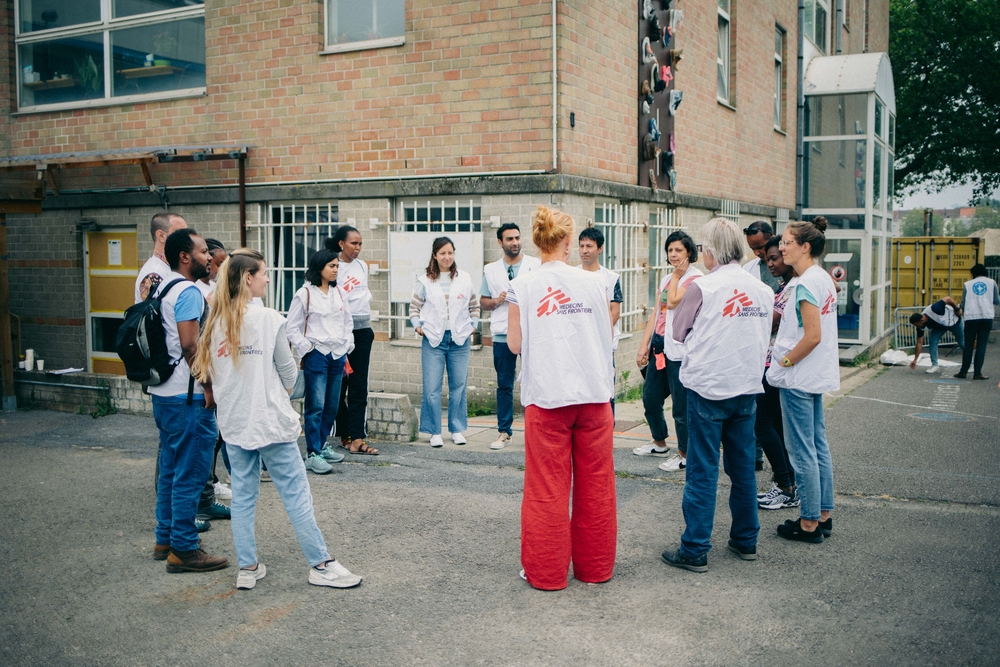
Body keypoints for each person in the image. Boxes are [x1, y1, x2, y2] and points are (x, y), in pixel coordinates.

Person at [193, 248, 363, 591]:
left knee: (243, 495)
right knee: (296, 495)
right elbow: (288, 371)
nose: (268, 278)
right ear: (247, 278)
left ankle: (248, 567)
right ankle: (320, 564)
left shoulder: (215, 322)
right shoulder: (268, 318)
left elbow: (209, 375)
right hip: (269, 421)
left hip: (236, 423)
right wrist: (274, 397)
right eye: (263, 273)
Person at [507, 205, 616, 591]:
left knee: (546, 488)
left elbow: (515, 344)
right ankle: (596, 568)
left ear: (538, 242)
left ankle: (547, 573)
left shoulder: (524, 284)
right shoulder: (595, 283)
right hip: (594, 394)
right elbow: (606, 336)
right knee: (597, 485)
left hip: (547, 395)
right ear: (569, 242)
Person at [661, 218, 772, 572]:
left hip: (708, 387)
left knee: (703, 469)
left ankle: (694, 548)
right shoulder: (763, 291)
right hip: (747, 388)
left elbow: (677, 331)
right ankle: (746, 540)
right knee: (742, 470)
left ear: (710, 251)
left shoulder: (704, 288)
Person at [150, 228, 230, 573]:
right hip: (188, 397)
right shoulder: (188, 292)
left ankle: (164, 538)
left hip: (164, 394)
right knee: (190, 473)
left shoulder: (162, 286)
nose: (209, 257)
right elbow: (190, 345)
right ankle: (184, 549)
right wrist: (208, 385)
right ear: (185, 257)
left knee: (170, 468)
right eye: (202, 252)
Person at [767, 219, 840, 543]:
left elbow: (811, 336)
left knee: (801, 451)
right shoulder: (821, 278)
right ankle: (823, 513)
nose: (781, 247)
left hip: (799, 377)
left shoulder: (804, 284)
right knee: (817, 444)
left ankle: (809, 521)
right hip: (815, 375)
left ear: (804, 247)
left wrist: (784, 362)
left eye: (786, 242)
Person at [634, 231, 702, 472]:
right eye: (670, 250)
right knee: (650, 398)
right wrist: (645, 344)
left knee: (681, 406)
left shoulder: (696, 280)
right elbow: (658, 311)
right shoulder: (666, 278)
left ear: (689, 253)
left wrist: (677, 275)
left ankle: (684, 453)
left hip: (681, 351)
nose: (673, 255)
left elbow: (673, 302)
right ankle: (659, 442)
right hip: (660, 346)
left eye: (678, 251)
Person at [287, 248, 356, 473]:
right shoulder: (304, 294)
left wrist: (347, 344)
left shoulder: (339, 292)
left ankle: (322, 444)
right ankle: (312, 453)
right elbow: (291, 327)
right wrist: (308, 348)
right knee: (315, 405)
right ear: (320, 268)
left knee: (332, 405)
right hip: (317, 354)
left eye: (337, 266)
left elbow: (347, 320)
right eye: (332, 266)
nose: (336, 270)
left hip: (337, 354)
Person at [411, 237, 480, 447]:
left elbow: (474, 306)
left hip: (459, 339)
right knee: (432, 388)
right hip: (434, 339)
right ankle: (434, 432)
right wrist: (417, 326)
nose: (447, 257)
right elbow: (414, 308)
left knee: (458, 386)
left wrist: (473, 325)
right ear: (434, 255)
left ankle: (457, 429)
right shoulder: (424, 280)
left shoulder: (464, 278)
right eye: (442, 253)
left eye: (450, 253)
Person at [480, 223, 541, 450]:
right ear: (500, 243)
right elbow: (483, 302)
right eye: (509, 239)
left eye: (517, 238)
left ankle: (534, 432)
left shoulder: (535, 265)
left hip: (530, 333)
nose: (514, 242)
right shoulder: (491, 270)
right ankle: (504, 432)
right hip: (502, 334)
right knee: (504, 385)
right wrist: (498, 300)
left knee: (533, 382)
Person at [325, 227, 377, 455]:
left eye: (360, 244)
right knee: (337, 386)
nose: (357, 248)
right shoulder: (332, 266)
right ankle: (344, 434)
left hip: (363, 329)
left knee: (358, 385)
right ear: (341, 244)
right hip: (339, 332)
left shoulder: (362, 266)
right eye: (353, 243)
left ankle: (357, 437)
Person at [755, 237, 798, 511]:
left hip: (777, 366)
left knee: (762, 424)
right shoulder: (784, 287)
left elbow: (770, 321)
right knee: (778, 427)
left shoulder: (793, 288)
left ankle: (785, 485)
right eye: (768, 259)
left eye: (775, 257)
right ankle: (787, 484)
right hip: (773, 365)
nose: (771, 263)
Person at [196, 238, 233, 501]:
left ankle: (211, 479)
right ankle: (207, 484)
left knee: (217, 433)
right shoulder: (197, 290)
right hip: (207, 372)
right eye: (217, 263)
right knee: (210, 433)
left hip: (223, 367)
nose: (220, 268)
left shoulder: (218, 288)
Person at [578, 227, 623, 413]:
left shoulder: (610, 278)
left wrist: (597, 334)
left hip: (602, 345)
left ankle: (607, 434)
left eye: (589, 246)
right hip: (578, 344)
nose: (584, 250)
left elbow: (615, 311)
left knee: (604, 390)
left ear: (600, 249)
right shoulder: (571, 274)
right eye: (581, 246)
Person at [956, 263, 999, 380]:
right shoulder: (992, 283)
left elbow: (963, 302)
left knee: (968, 344)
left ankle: (963, 371)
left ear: (973, 273)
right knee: (981, 345)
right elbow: (997, 300)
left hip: (971, 317)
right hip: (986, 317)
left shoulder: (967, 284)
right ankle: (977, 373)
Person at [136, 212, 188, 303]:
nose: (187, 237)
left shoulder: (169, 267)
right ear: (161, 236)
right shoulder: (154, 274)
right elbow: (157, 313)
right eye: (180, 232)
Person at [909, 297, 965, 374]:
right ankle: (934, 365)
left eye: (917, 325)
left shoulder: (935, 308)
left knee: (962, 342)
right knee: (933, 341)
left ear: (922, 320)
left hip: (955, 322)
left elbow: (948, 299)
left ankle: (971, 363)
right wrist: (915, 359)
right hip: (940, 327)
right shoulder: (921, 325)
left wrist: (957, 309)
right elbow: (919, 342)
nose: (917, 327)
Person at [742, 221, 782, 293]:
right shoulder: (747, 269)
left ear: (772, 238)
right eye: (752, 249)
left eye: (760, 247)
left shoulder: (788, 266)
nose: (756, 253)